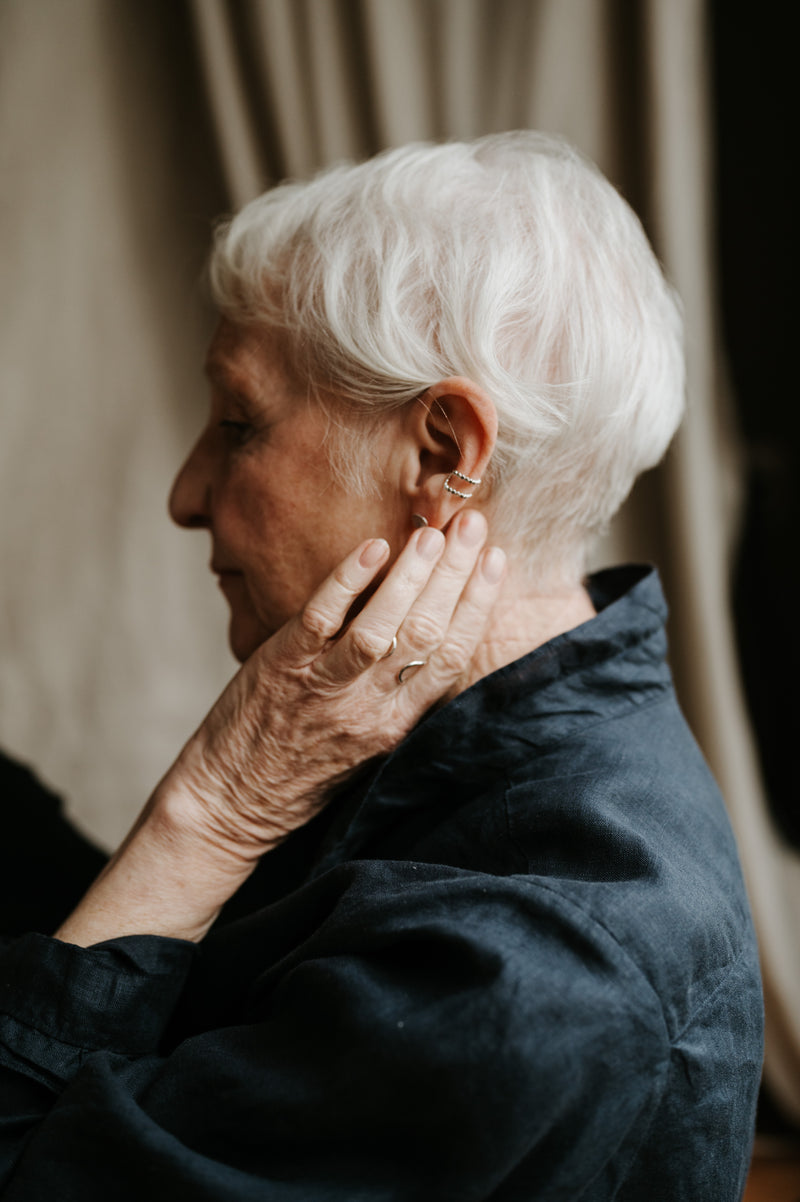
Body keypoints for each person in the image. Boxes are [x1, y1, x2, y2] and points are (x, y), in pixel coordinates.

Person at [0, 132, 762, 1200]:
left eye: (236, 422)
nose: (185, 491)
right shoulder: (419, 751)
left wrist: (212, 811)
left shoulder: (527, 957)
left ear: (444, 454)